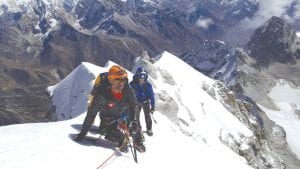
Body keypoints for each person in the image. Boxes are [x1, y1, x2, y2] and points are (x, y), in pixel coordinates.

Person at [74, 65, 146, 153]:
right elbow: (92, 113)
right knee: (110, 134)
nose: (121, 83)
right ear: (111, 80)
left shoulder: (127, 88)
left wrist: (134, 121)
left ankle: (138, 140)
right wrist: (83, 133)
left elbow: (134, 105)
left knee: (134, 127)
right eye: (117, 80)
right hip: (109, 117)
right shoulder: (102, 94)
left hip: (125, 111)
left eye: (123, 80)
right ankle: (122, 139)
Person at [130, 67, 155, 136]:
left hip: (145, 102)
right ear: (137, 76)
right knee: (136, 116)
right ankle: (138, 128)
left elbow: (152, 96)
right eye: (140, 76)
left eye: (144, 76)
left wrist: (152, 107)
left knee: (147, 115)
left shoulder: (148, 85)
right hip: (136, 102)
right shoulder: (133, 84)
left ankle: (149, 128)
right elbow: (128, 93)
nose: (142, 78)